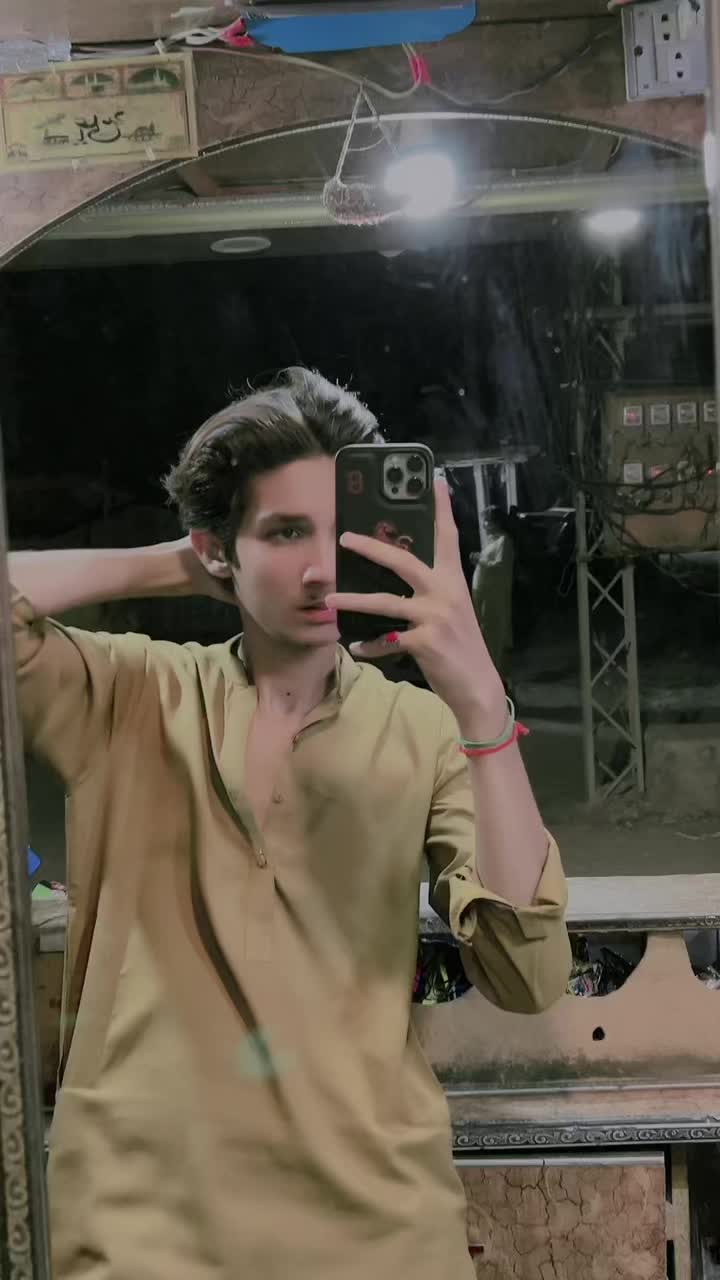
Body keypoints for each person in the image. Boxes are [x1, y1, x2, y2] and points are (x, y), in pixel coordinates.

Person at [11, 367, 570, 1280]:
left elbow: (529, 974)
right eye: (284, 532)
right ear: (219, 549)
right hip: (140, 1238)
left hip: (377, 1240)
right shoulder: (134, 694)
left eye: (338, 534)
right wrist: (184, 563)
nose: (321, 569)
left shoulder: (422, 729)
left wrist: (478, 701)